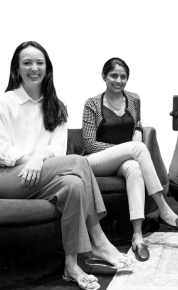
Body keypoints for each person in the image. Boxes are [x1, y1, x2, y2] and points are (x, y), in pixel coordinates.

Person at [0, 40, 134, 290]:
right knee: (78, 162)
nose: (33, 68)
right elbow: (2, 150)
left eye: (39, 62)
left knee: (73, 184)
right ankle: (98, 239)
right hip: (8, 176)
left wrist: (39, 160)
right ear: (17, 69)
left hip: (43, 174)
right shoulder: (4, 102)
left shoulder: (58, 104)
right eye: (26, 63)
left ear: (47, 68)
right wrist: (29, 160)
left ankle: (71, 266)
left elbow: (57, 149)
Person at [82, 56, 178, 262]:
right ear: (103, 77)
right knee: (136, 150)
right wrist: (127, 148)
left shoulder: (134, 98)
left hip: (125, 161)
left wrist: (139, 131)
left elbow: (138, 121)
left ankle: (138, 237)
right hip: (94, 161)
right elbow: (89, 144)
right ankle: (165, 209)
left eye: (123, 77)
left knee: (134, 168)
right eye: (113, 76)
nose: (118, 80)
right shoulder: (92, 103)